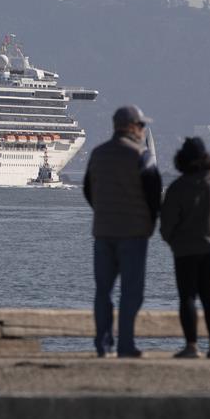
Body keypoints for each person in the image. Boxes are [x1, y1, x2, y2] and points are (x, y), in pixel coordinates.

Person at [83, 105, 162, 358]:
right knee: (131, 292)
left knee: (102, 291)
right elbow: (154, 195)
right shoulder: (143, 156)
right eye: (141, 126)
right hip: (134, 233)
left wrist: (102, 212)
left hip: (103, 233)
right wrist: (149, 223)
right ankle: (126, 345)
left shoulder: (97, 154)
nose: (143, 130)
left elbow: (88, 190)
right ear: (131, 127)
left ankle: (102, 345)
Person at [160, 137, 210, 359]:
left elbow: (167, 221)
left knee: (187, 297)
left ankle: (191, 346)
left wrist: (172, 240)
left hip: (185, 250)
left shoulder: (178, 187)